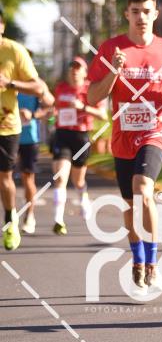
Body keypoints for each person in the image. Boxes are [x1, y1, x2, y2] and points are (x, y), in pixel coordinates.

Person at [87, 0, 162, 290]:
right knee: (131, 203)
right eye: (135, 11)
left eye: (147, 11)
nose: (141, 17)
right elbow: (93, 96)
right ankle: (138, 259)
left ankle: (154, 264)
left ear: (155, 14)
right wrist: (113, 71)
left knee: (143, 188)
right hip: (123, 135)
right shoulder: (111, 49)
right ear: (127, 14)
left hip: (156, 128)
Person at [0, 7, 45, 250]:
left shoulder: (14, 51)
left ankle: (10, 220)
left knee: (5, 177)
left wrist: (10, 83)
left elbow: (38, 87)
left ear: (2, 26)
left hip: (6, 126)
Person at [52, 57, 107, 235]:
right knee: (60, 177)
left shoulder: (90, 89)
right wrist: (51, 114)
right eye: (72, 68)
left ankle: (83, 199)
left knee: (78, 180)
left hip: (80, 136)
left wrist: (82, 107)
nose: (74, 71)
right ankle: (58, 219)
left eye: (78, 68)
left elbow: (103, 115)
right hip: (62, 134)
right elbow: (54, 108)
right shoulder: (61, 88)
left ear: (85, 72)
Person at [17, 80, 55, 234]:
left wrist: (32, 114)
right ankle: (10, 215)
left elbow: (50, 107)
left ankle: (29, 216)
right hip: (6, 135)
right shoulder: (5, 80)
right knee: (4, 178)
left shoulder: (35, 83)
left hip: (29, 139)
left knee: (27, 178)